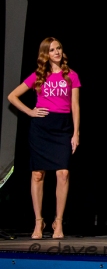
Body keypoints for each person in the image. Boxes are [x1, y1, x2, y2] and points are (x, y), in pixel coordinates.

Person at [8, 38, 80, 240]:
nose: (56, 52)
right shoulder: (39, 75)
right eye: (52, 50)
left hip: (62, 127)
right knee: (38, 175)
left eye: (58, 48)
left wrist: (76, 133)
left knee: (63, 173)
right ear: (45, 54)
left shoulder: (71, 75)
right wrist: (30, 111)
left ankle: (58, 221)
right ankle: (39, 221)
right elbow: (12, 96)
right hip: (41, 129)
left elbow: (75, 106)